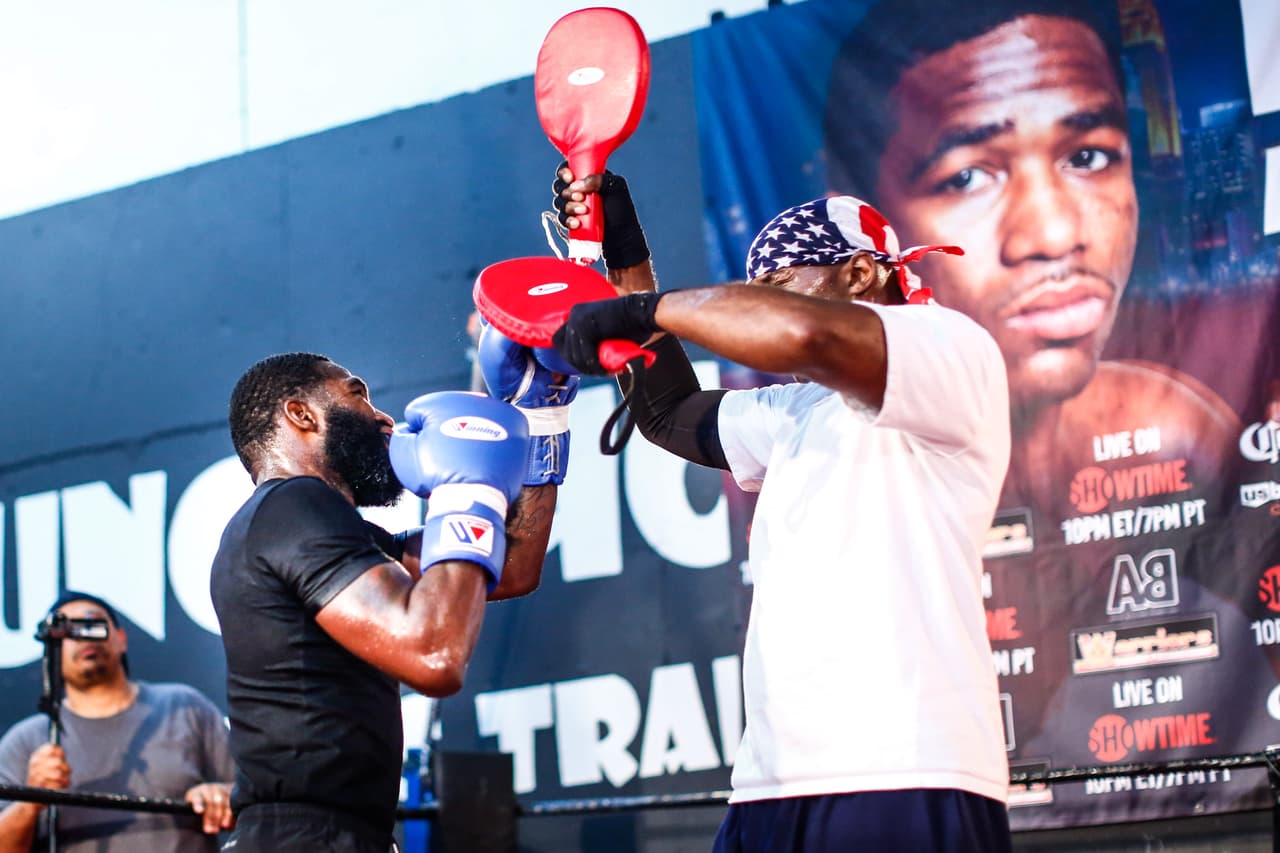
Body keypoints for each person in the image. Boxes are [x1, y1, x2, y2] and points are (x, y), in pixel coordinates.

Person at [552, 173, 1013, 850]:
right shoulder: (798, 407)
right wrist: (625, 254)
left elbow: (803, 334)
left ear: (859, 273)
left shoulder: (946, 344)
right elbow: (669, 411)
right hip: (773, 781)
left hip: (904, 768)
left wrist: (651, 310)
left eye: (777, 286)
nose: (752, 318)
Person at [822, 0, 1241, 519]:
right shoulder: (829, 467)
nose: (1055, 235)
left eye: (1087, 156)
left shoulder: (1180, 432)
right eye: (966, 177)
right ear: (868, 233)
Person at [212, 350, 570, 853]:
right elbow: (434, 654)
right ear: (301, 414)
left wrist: (543, 419)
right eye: (356, 393)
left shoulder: (334, 528)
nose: (382, 416)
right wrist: (465, 491)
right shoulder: (291, 506)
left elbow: (513, 566)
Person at [0, 591, 235, 852]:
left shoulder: (184, 706)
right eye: (67, 629)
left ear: (121, 638)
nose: (81, 636)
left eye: (92, 623)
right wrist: (31, 801)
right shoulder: (26, 741)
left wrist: (221, 795)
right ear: (51, 647)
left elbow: (250, 798)